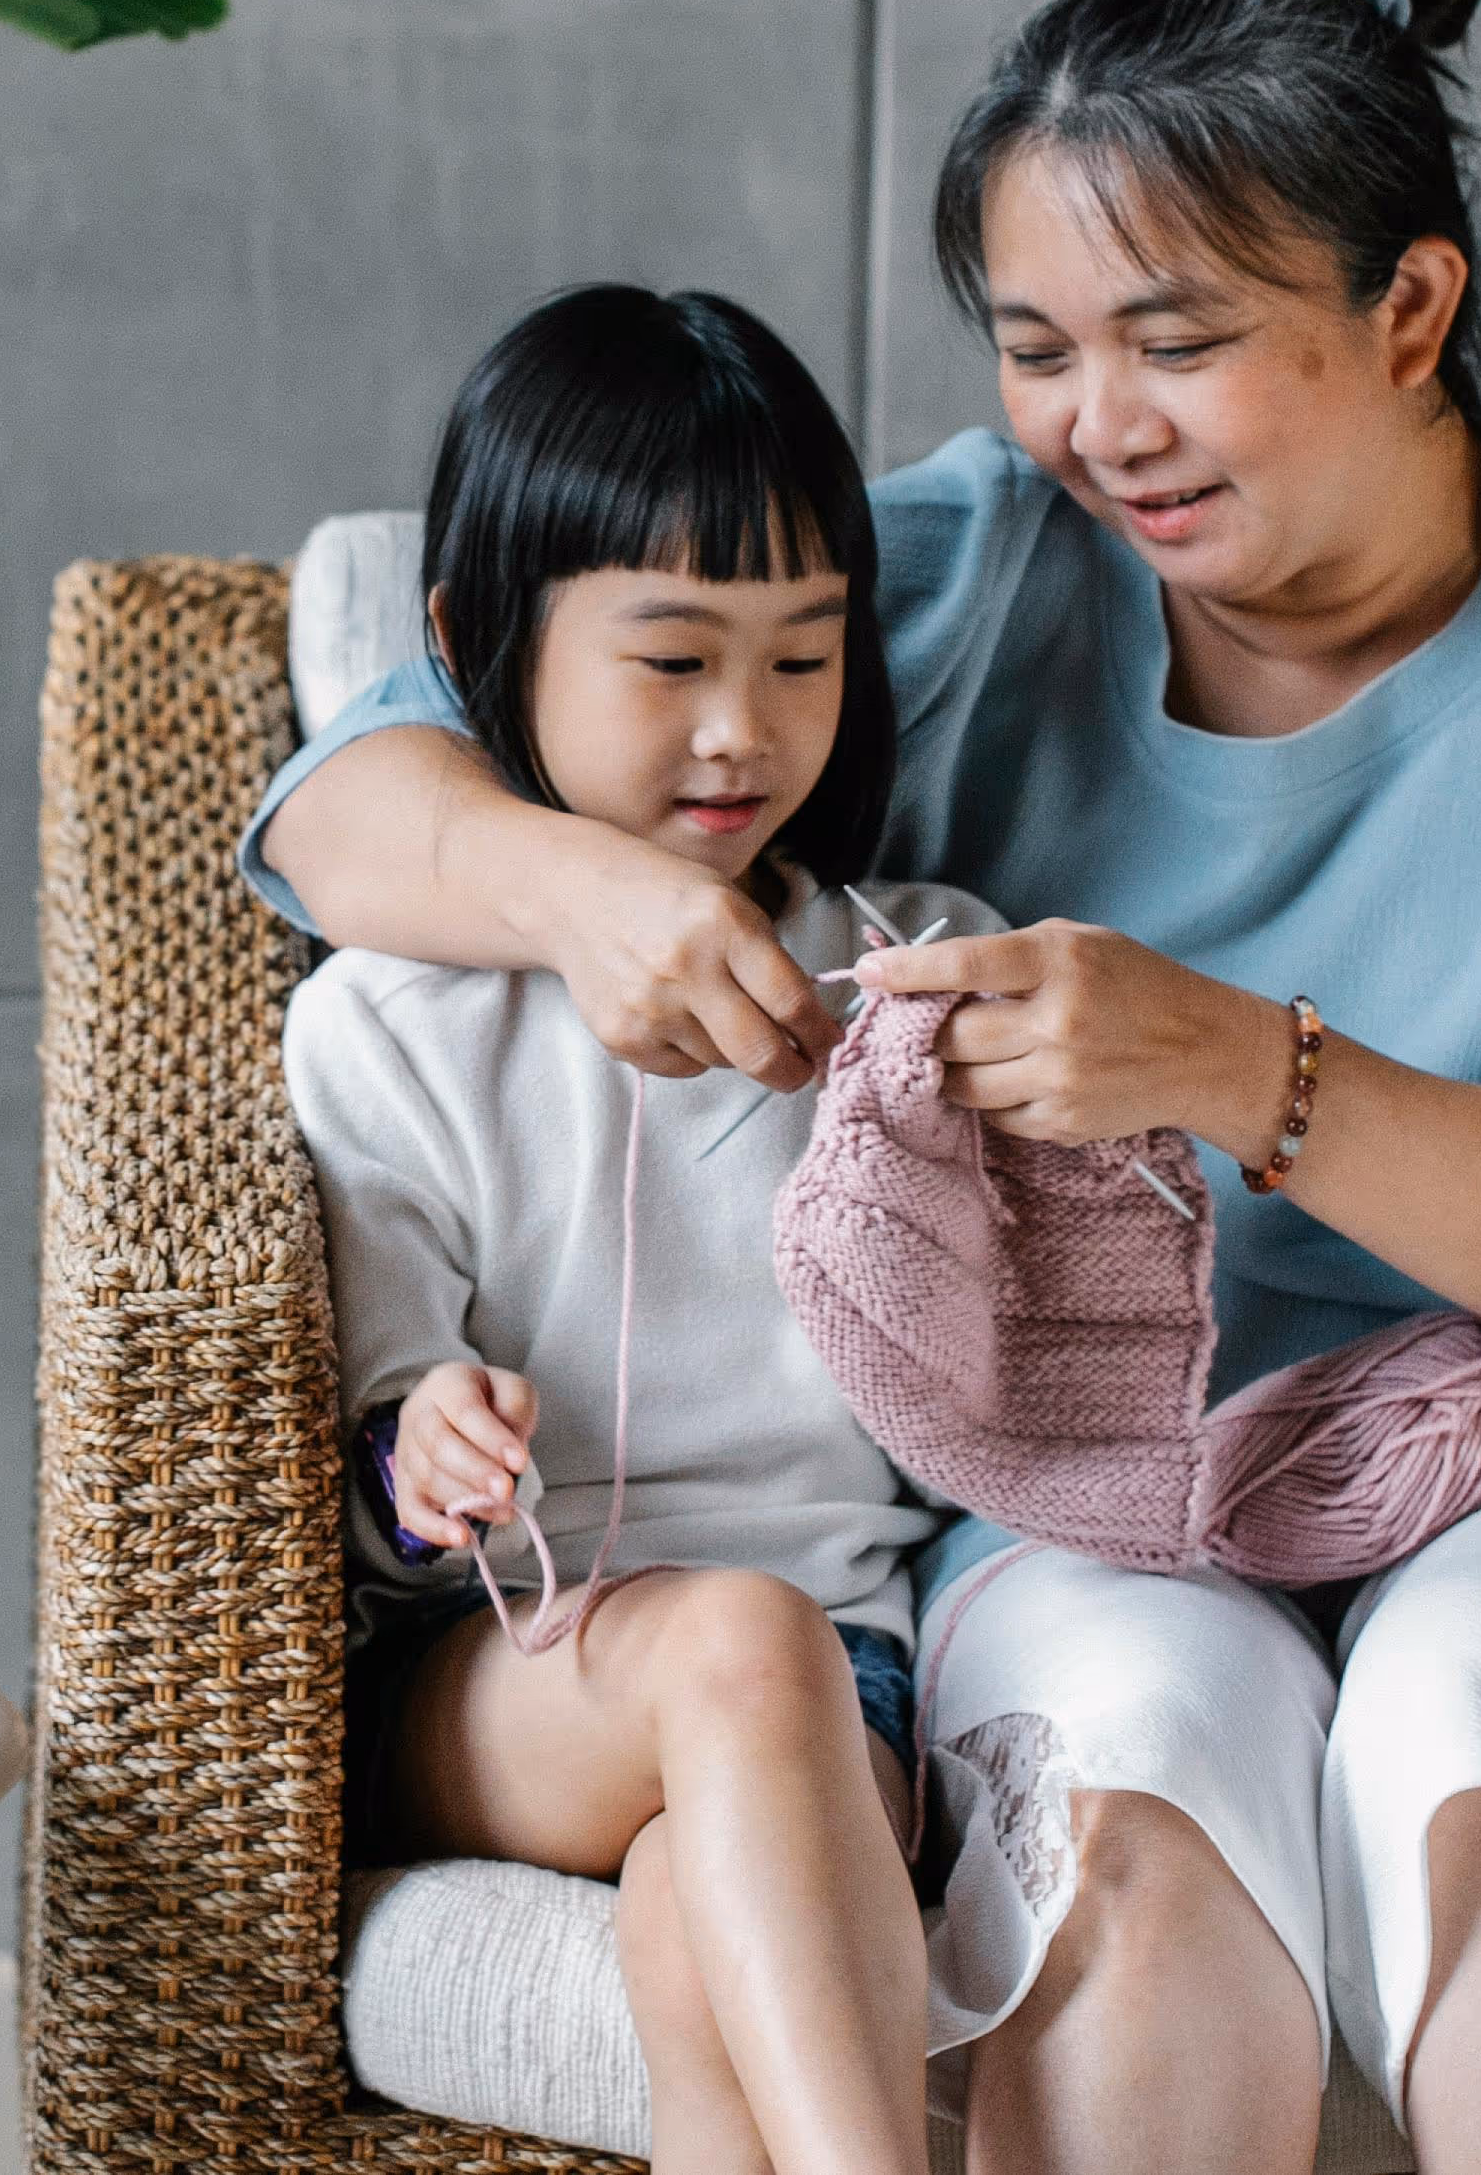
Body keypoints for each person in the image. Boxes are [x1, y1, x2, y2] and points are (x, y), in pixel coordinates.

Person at [249, 0, 1481, 2175]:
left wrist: (1244, 1068)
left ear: (1410, 306)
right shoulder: (980, 561)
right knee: (1127, 1853)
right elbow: (363, 782)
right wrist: (587, 886)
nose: (1097, 426)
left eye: (1175, 338)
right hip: (1080, 1488)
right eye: (1036, 348)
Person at [288, 283, 1005, 2175]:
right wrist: (427, 1441)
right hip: (502, 1674)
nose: (740, 730)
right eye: (672, 659)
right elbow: (377, 1458)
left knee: (706, 1932)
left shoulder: (909, 971)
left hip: (841, 1694)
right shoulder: (392, 1021)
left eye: (802, 656)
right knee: (737, 1647)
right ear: (476, 642)